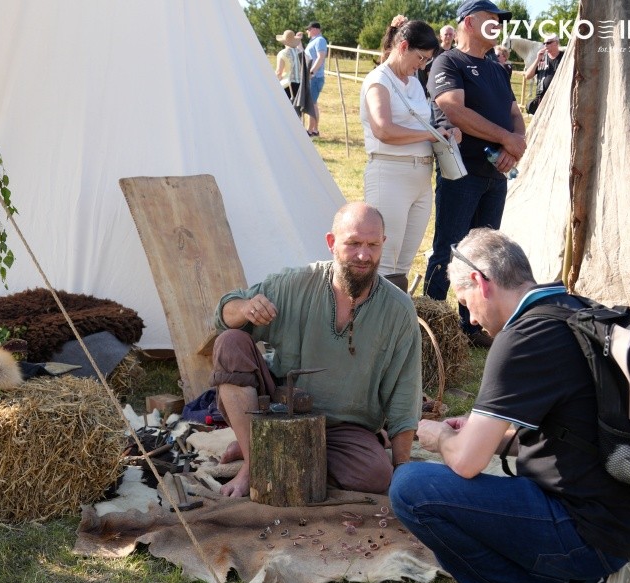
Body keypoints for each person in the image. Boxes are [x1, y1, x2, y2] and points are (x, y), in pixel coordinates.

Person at [390, 228, 630, 583]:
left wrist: (442, 437)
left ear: (481, 283)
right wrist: (485, 436)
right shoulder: (572, 310)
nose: (471, 319)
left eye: (465, 302)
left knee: (411, 488)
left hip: (584, 530)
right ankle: (588, 578)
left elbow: (466, 463)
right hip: (620, 520)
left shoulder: (521, 339)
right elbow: (565, 435)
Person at [210, 202, 421, 498]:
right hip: (280, 412)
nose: (364, 255)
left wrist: (402, 471)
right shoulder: (296, 284)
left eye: (373, 245)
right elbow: (222, 315)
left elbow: (405, 394)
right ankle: (254, 462)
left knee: (376, 476)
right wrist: (245, 308)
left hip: (342, 431)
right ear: (331, 242)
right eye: (353, 243)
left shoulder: (398, 310)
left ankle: (267, 447)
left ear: (383, 243)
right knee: (230, 342)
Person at [424, 0, 526, 348]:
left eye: (500, 20)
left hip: (496, 175)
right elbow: (452, 109)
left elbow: (515, 114)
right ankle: (430, 325)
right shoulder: (449, 61)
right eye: (491, 18)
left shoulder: (498, 69)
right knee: (449, 248)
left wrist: (515, 145)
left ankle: (471, 326)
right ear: (468, 22)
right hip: (462, 172)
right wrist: (506, 139)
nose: (498, 24)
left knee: (484, 254)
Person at [361, 18, 461, 293]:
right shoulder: (378, 80)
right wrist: (430, 135)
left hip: (420, 178)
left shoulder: (415, 83)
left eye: (428, 60)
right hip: (390, 174)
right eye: (421, 58)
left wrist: (443, 132)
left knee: (403, 263)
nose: (423, 65)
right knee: (384, 261)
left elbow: (422, 124)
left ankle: (395, 316)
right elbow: (383, 130)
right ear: (403, 46)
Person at [524, 36, 563, 114]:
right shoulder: (542, 58)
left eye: (548, 43)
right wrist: (537, 59)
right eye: (544, 43)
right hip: (541, 98)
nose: (545, 45)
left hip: (558, 98)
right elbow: (528, 76)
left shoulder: (564, 57)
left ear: (556, 43)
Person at [305, 22, 329, 137]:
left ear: (315, 29)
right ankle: (314, 130)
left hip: (315, 77)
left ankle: (310, 130)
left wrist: (312, 72)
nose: (307, 31)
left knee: (312, 104)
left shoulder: (320, 40)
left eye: (308, 29)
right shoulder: (313, 41)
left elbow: (321, 57)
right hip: (314, 77)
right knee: (313, 104)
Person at [275, 29, 303, 102]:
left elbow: (279, 72)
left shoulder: (282, 53)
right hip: (300, 84)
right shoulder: (301, 52)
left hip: (287, 84)